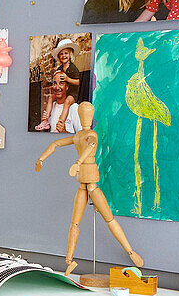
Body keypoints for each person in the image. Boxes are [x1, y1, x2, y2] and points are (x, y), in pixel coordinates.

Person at [35, 101, 143, 275]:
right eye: (83, 114)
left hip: (91, 180)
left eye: (88, 114)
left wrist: (78, 162)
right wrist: (41, 159)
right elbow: (55, 144)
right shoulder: (78, 136)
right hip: (82, 181)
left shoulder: (90, 134)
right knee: (75, 222)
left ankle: (130, 251)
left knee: (108, 218)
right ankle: (69, 261)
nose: (86, 117)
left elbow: (91, 144)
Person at [35, 40, 82, 131]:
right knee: (50, 98)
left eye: (66, 53)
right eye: (61, 54)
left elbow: (78, 82)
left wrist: (67, 79)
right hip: (65, 93)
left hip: (72, 94)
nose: (64, 56)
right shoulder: (60, 68)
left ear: (70, 54)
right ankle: (45, 121)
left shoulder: (73, 68)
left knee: (67, 102)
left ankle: (61, 122)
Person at [35, 69, 82, 133]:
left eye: (61, 83)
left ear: (67, 87)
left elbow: (82, 136)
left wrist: (64, 132)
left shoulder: (74, 108)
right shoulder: (52, 106)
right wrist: (44, 122)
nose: (57, 87)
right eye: (55, 83)